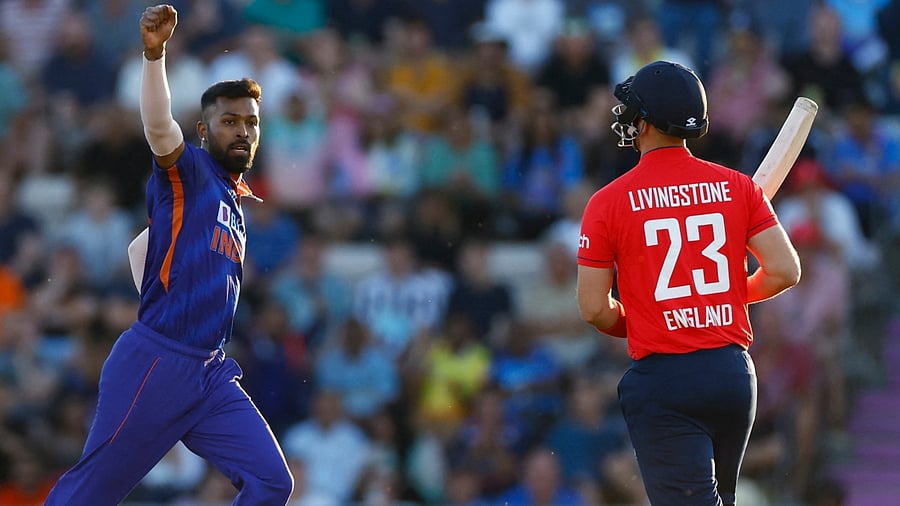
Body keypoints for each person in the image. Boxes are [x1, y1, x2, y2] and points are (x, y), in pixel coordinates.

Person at [44, 5, 294, 504]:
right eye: (229, 121)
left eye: (251, 122)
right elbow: (159, 127)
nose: (242, 131)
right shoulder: (191, 172)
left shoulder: (233, 199)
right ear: (203, 131)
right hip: (158, 364)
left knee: (272, 482)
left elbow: (141, 247)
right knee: (89, 494)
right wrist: (154, 56)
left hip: (209, 372)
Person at [576, 60, 802, 506]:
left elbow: (594, 308)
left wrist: (650, 316)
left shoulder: (607, 202)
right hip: (732, 375)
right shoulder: (737, 186)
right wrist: (719, 298)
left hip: (666, 380)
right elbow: (784, 270)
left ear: (644, 122)